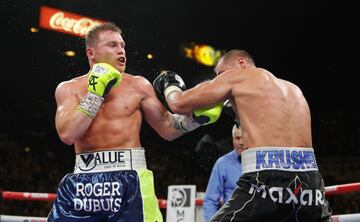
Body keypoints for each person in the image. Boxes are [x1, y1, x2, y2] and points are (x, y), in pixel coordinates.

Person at [48, 22, 222, 222]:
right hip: (84, 183)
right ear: (91, 52)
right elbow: (67, 134)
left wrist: (195, 120)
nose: (121, 50)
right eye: (112, 45)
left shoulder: (138, 85)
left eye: (122, 45)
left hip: (130, 180)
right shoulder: (69, 89)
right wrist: (95, 93)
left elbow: (167, 128)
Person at [153, 49, 332, 221]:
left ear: (241, 62)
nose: (219, 79)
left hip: (267, 179)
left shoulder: (237, 77)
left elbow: (179, 104)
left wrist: (170, 86)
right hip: (311, 184)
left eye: (221, 73)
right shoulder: (294, 89)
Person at [203, 124, 245, 222]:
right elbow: (210, 200)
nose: (241, 142)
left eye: (243, 138)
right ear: (232, 139)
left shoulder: (259, 162)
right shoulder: (222, 163)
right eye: (237, 138)